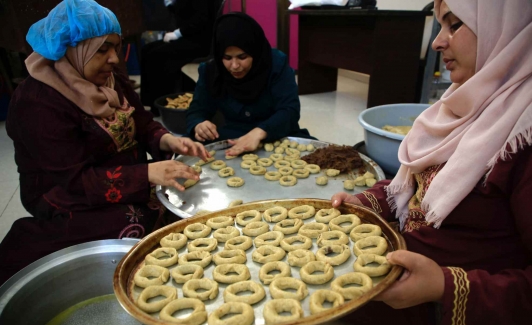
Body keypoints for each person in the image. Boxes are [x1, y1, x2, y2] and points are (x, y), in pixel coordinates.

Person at [331, 1, 532, 325]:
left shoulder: (528, 134)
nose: (436, 43)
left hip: (455, 316)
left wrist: (445, 287)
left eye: (454, 25)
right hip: (403, 275)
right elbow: (419, 188)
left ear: (507, 27)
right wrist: (367, 202)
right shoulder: (465, 101)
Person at [0, 0, 209, 285]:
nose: (114, 58)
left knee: (175, 201)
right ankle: (38, 237)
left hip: (119, 174)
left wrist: (168, 141)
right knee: (132, 224)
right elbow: (74, 179)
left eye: (115, 47)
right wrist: (146, 174)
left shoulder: (109, 79)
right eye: (102, 50)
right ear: (72, 50)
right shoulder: (38, 103)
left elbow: (142, 121)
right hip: (62, 190)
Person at [186, 13, 314, 157]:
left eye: (242, 57)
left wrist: (259, 132)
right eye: (227, 58)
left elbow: (290, 110)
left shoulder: (275, 64)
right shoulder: (211, 71)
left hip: (277, 133)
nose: (234, 66)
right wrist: (199, 124)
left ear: (255, 51)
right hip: (232, 135)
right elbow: (196, 111)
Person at [140, 0, 218, 115]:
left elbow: (201, 20)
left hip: (200, 39)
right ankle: (150, 101)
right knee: (146, 50)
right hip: (187, 35)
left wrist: (178, 33)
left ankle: (159, 105)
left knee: (157, 56)